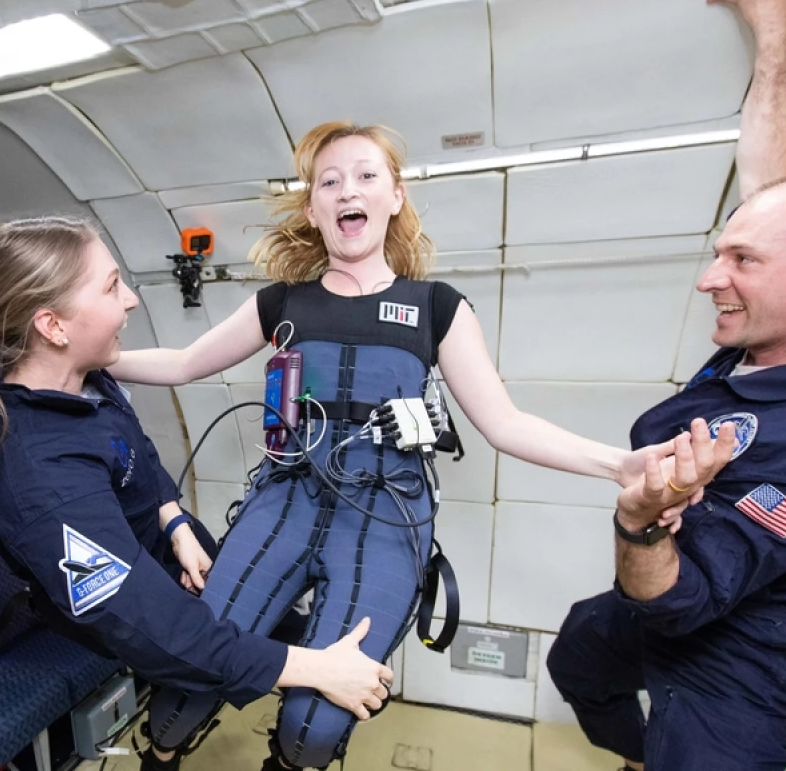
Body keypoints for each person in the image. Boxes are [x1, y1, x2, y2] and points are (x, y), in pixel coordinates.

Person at [107, 121, 691, 770]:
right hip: (284, 503)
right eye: (328, 181)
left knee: (314, 730)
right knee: (182, 691)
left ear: (394, 197)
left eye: (365, 176)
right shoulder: (281, 303)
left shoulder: (436, 307)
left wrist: (619, 464)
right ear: (312, 208)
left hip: (385, 521)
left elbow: (505, 423)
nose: (346, 190)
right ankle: (160, 755)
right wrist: (86, 355)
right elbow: (185, 362)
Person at [0, 217, 396, 771]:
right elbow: (150, 626)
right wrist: (312, 669)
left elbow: (136, 449)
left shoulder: (81, 376)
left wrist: (174, 519)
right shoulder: (40, 478)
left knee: (292, 630)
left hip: (165, 565)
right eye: (110, 285)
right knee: (297, 669)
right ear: (51, 324)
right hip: (135, 613)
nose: (128, 299)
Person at [544, 0, 786, 769]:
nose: (711, 278)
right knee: (579, 657)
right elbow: (777, 186)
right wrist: (778, 37)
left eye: (740, 259)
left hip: (747, 642)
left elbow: (676, 598)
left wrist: (643, 517)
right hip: (685, 565)